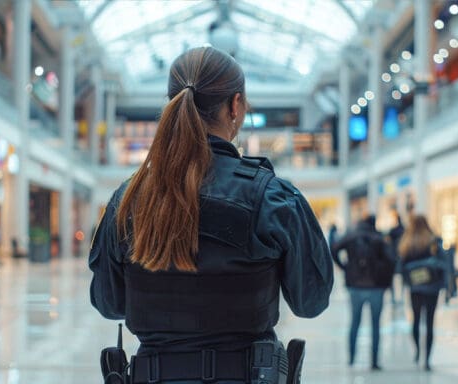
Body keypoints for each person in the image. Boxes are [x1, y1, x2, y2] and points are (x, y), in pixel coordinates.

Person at [89, 47, 334, 384]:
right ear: (235, 106)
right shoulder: (273, 198)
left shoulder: (129, 199)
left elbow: (109, 304)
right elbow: (311, 302)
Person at [331, 215, 393, 371]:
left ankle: (351, 358)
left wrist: (345, 267)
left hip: (355, 286)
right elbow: (391, 260)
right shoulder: (378, 238)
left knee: (354, 323)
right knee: (375, 325)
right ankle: (374, 361)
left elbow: (334, 249)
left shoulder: (351, 236)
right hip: (376, 287)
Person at [399, 215, 449, 372]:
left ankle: (417, 351)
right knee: (429, 323)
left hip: (415, 287)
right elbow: (444, 264)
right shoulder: (433, 241)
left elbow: (401, 267)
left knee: (415, 320)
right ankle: (426, 359)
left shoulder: (407, 243)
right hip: (432, 287)